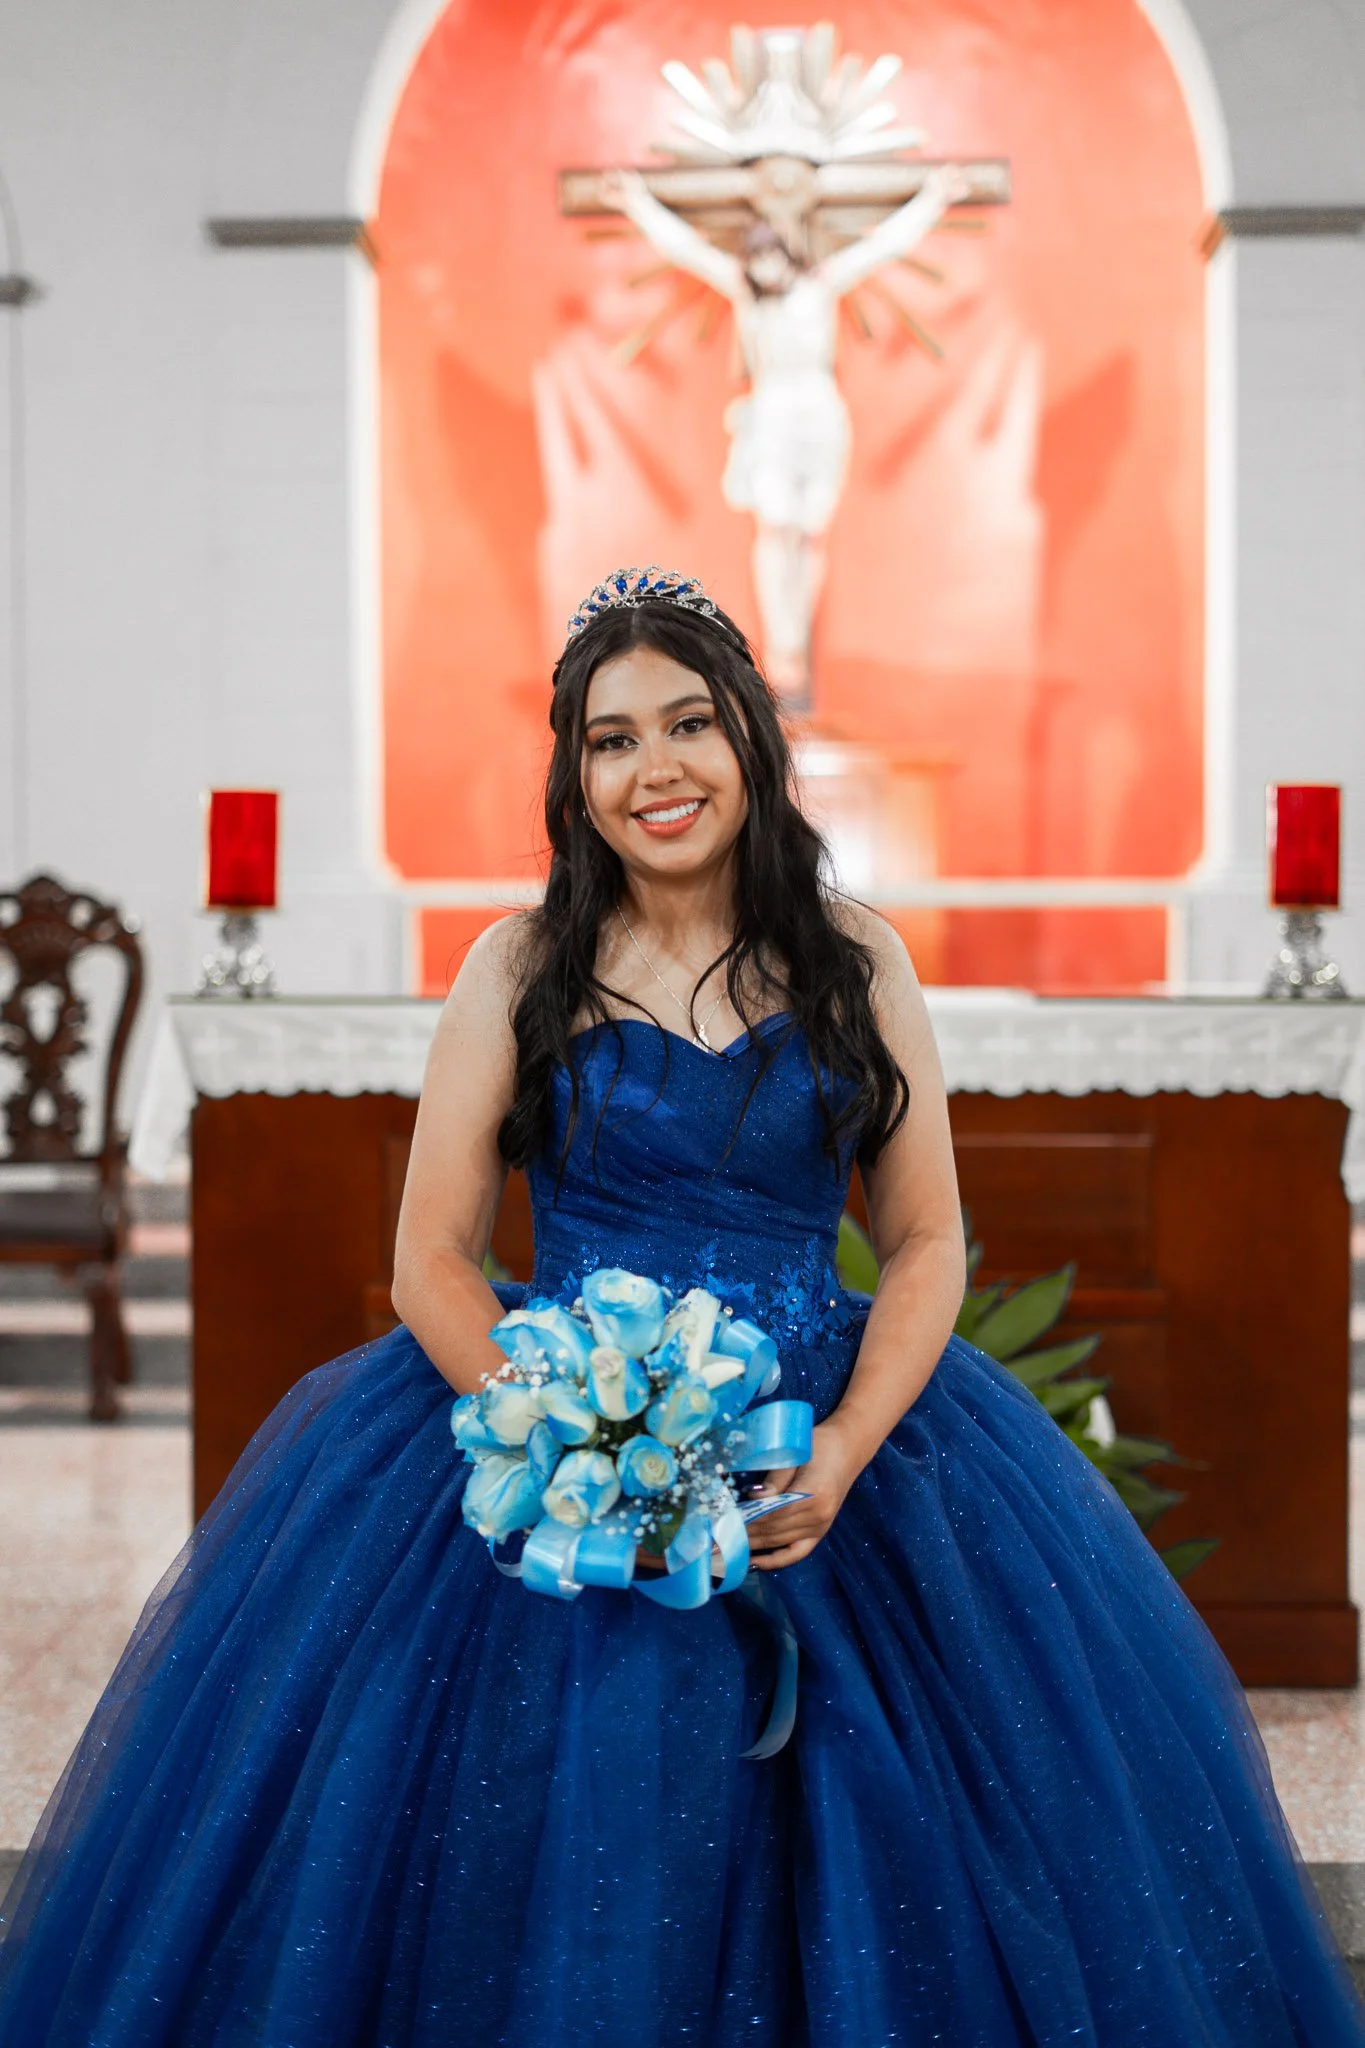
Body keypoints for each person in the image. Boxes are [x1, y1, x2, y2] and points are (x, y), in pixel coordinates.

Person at [1, 565, 1361, 2047]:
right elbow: (430, 1261)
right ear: (574, 779)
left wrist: (840, 1449)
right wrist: (565, 1425)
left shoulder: (858, 964)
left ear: (750, 748)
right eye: (609, 739)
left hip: (820, 1445)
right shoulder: (517, 969)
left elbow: (921, 1245)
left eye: (688, 725)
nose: (653, 769)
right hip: (552, 1430)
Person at [597, 168, 967, 705]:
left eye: (772, 258)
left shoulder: (822, 285)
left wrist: (933, 199)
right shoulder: (747, 296)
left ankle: (796, 633)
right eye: (756, 261)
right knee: (775, 533)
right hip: (769, 414)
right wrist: (636, 202)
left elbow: (885, 245)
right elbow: (683, 248)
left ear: (787, 254)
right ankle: (783, 643)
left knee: (810, 533)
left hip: (817, 417)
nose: (765, 270)